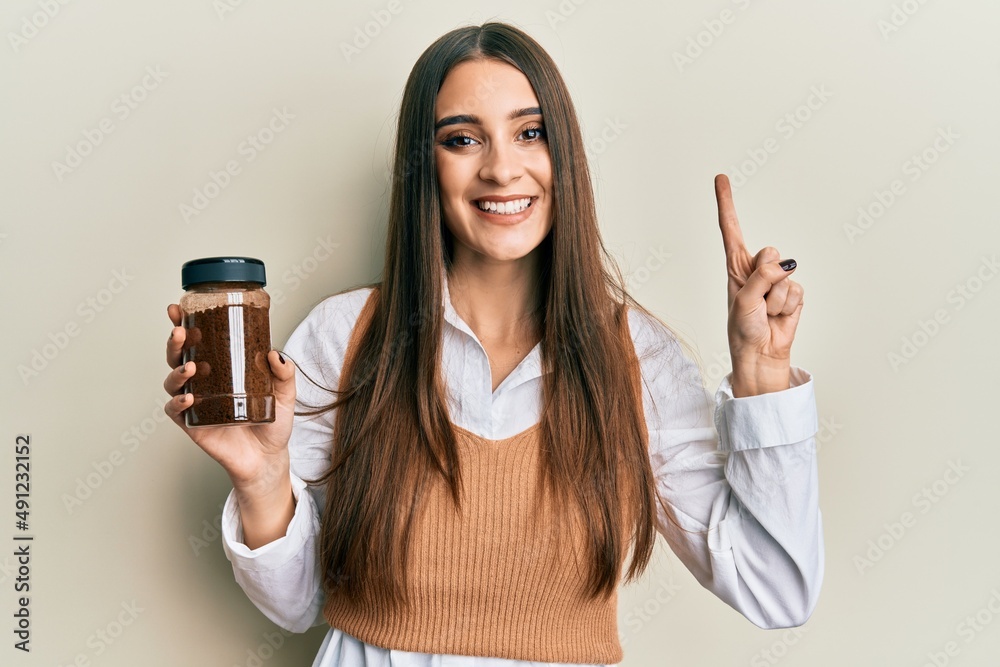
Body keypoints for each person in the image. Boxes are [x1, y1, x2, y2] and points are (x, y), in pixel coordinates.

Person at [163, 21, 822, 667]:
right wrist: (261, 478)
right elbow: (296, 603)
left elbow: (778, 591)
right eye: (462, 139)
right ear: (425, 166)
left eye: (530, 133)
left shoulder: (639, 359)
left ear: (565, 156)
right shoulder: (345, 335)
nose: (502, 169)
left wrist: (762, 373)